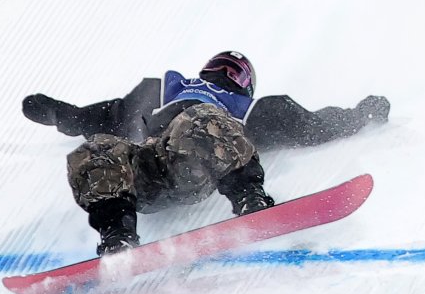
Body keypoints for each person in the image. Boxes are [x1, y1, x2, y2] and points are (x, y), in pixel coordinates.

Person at [22, 51, 390, 255]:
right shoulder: (161, 91)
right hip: (150, 170)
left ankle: (250, 201)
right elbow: (106, 115)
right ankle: (117, 235)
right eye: (220, 67)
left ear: (246, 86)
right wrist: (57, 112)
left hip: (198, 169)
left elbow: (312, 125)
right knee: (98, 147)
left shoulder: (253, 109)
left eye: (237, 73)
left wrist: (360, 114)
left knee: (202, 118)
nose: (225, 75)